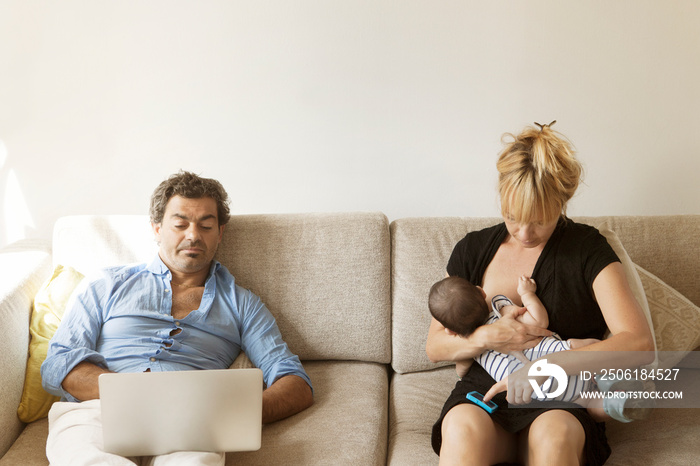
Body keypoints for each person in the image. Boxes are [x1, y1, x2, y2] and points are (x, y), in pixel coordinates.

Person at [41, 171, 314, 466]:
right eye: (180, 224)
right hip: (97, 411)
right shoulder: (106, 284)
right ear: (157, 228)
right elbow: (59, 363)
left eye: (206, 225)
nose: (193, 235)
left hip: (193, 422)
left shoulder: (243, 304)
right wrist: (132, 394)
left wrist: (234, 412)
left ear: (220, 233)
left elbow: (295, 383)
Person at [425, 122, 654, 466]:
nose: (524, 232)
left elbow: (639, 343)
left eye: (540, 220)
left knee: (554, 434)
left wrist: (545, 367)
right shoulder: (472, 250)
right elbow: (436, 346)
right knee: (460, 428)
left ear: (563, 202)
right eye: (512, 217)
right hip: (488, 391)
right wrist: (489, 335)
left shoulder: (587, 249)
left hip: (560, 392)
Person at [428, 275, 651, 422]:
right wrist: (528, 295)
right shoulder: (502, 309)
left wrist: (468, 355)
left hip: (540, 392)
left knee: (588, 403)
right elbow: (539, 322)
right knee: (590, 345)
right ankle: (610, 378)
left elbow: (461, 371)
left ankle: (617, 404)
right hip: (562, 356)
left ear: (450, 331)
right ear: (482, 292)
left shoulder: (469, 351)